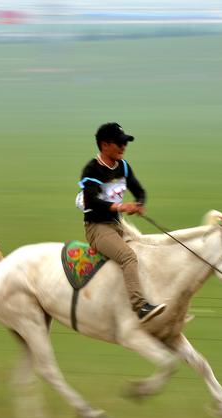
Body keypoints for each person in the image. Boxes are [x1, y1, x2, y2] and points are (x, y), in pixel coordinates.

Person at [78, 122, 166, 322]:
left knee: (147, 252)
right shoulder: (92, 170)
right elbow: (91, 201)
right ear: (104, 144)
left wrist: (140, 203)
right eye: (119, 143)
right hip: (97, 228)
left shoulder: (124, 167)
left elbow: (139, 191)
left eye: (124, 143)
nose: (123, 147)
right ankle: (140, 307)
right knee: (128, 257)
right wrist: (120, 207)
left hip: (117, 225)